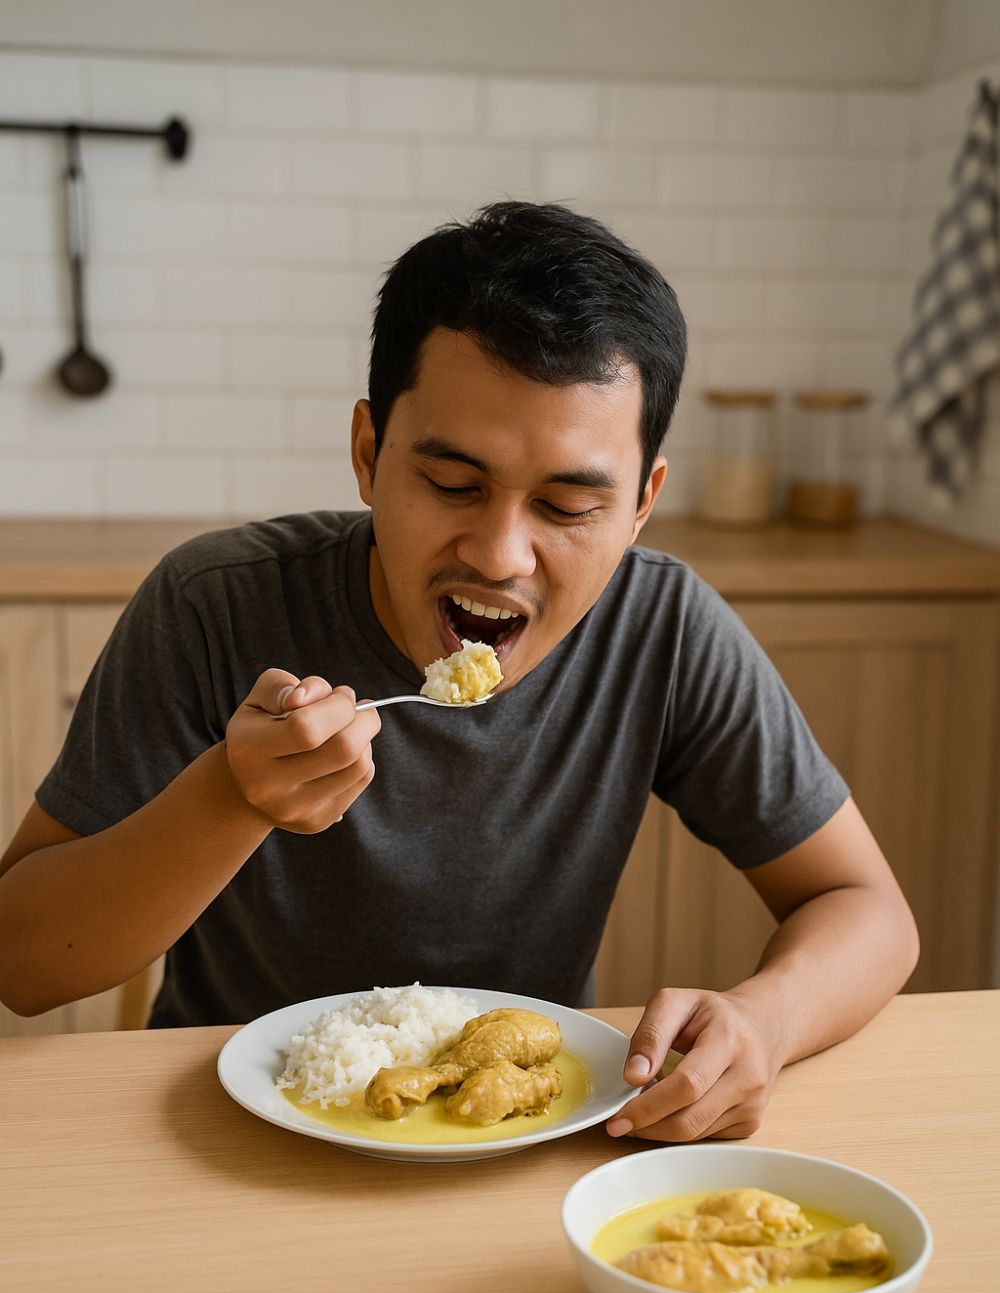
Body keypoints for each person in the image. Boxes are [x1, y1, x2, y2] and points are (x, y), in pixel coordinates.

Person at [0, 201, 918, 1142]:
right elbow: (22, 963)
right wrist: (230, 800)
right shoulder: (216, 605)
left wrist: (767, 1019)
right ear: (368, 455)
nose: (499, 554)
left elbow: (868, 910)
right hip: (231, 1132)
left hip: (523, 1137)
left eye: (567, 506)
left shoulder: (664, 630)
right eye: (453, 485)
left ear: (642, 504)